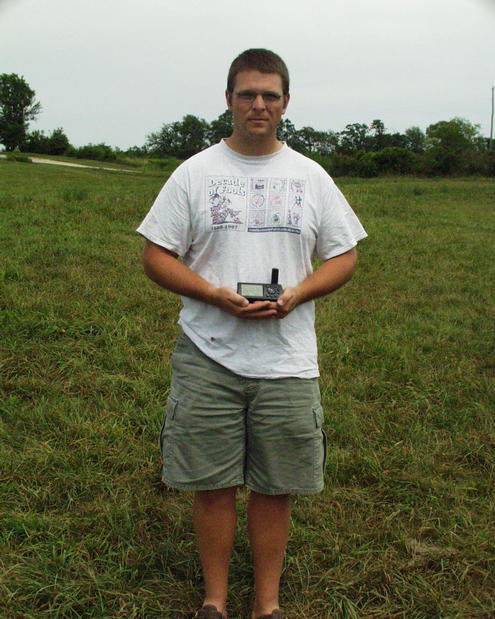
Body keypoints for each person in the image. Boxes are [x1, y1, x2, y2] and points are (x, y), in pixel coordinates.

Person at [137, 48, 367, 619]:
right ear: (229, 100)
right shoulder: (195, 172)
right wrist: (212, 294)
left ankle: (268, 605)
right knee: (210, 483)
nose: (258, 104)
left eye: (269, 94)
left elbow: (344, 255)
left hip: (287, 361)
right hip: (207, 354)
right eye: (247, 94)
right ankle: (214, 601)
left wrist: (298, 293)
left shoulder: (310, 176)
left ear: (285, 102)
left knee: (275, 488)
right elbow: (155, 255)